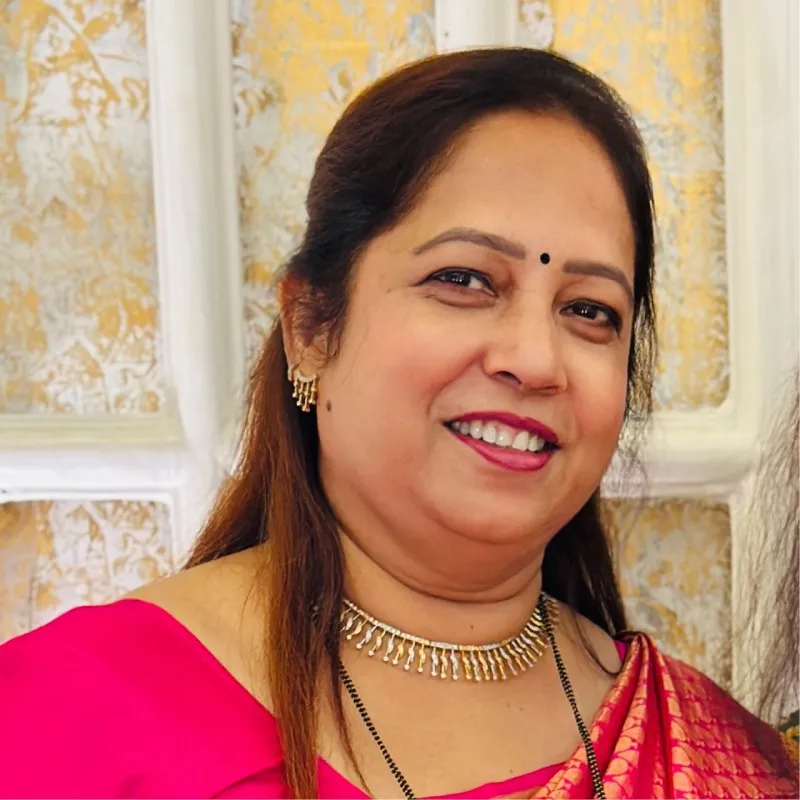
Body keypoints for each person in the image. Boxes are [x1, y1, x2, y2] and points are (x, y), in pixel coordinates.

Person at [0, 49, 796, 799]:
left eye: (590, 311)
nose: (535, 359)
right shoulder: (62, 721)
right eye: (464, 279)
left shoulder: (717, 755)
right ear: (312, 324)